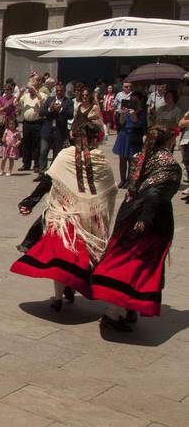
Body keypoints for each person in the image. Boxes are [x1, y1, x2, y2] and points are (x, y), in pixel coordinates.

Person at [10, 115, 117, 311]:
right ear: (96, 138)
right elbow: (109, 190)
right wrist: (30, 202)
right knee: (72, 257)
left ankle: (61, 294)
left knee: (63, 257)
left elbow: (48, 181)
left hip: (68, 215)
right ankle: (63, 293)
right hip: (77, 217)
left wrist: (30, 202)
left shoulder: (71, 156)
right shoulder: (89, 158)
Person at [90, 126, 181, 332]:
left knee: (128, 260)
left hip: (129, 212)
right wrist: (146, 219)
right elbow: (156, 194)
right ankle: (113, 313)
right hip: (150, 220)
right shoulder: (169, 164)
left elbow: (135, 187)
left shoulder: (141, 156)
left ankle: (127, 308)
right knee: (134, 265)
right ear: (169, 141)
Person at [37, 82, 74, 181]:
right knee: (43, 151)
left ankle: (53, 173)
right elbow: (41, 112)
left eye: (61, 91)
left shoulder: (68, 102)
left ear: (64, 91)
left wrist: (61, 109)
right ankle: (41, 172)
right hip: (47, 130)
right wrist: (50, 109)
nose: (59, 92)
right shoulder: (50, 100)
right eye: (57, 91)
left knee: (57, 153)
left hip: (60, 131)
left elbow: (71, 115)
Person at [112, 91, 146, 188]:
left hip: (134, 136)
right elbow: (121, 123)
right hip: (123, 135)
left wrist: (134, 114)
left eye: (135, 100)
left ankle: (130, 180)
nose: (133, 102)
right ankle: (123, 180)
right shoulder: (127, 110)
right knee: (122, 159)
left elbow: (138, 124)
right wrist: (123, 114)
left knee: (132, 160)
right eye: (132, 100)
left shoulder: (141, 112)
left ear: (140, 100)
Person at [16, 82, 45, 173]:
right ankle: (26, 164)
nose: (30, 90)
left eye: (32, 88)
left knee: (37, 144)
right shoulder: (26, 96)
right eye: (29, 88)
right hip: (26, 123)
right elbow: (16, 102)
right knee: (26, 144)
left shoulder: (42, 94)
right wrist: (20, 93)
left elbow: (43, 102)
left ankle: (36, 165)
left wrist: (36, 92)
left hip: (37, 122)